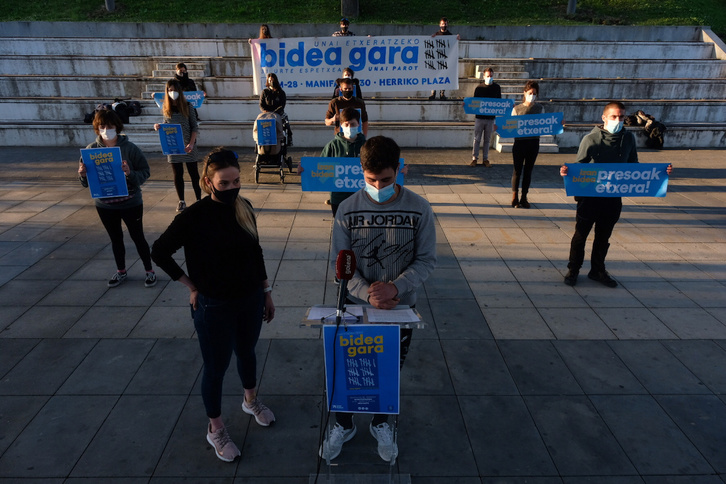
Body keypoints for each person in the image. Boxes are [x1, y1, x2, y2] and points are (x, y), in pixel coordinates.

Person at [151, 147, 276, 463]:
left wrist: (266, 291)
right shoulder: (193, 217)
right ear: (208, 182)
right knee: (216, 367)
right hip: (214, 306)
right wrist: (190, 284)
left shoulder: (244, 207)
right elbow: (160, 252)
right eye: (225, 184)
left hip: (249, 299)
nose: (233, 189)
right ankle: (215, 427)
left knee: (247, 352)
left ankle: (250, 401)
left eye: (236, 182)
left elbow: (255, 253)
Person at [321, 136, 437, 462]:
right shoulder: (347, 209)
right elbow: (340, 264)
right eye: (370, 179)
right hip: (356, 308)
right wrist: (367, 293)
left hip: (400, 309)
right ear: (361, 171)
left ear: (399, 170)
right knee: (349, 371)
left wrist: (396, 288)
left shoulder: (419, 208)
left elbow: (426, 259)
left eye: (386, 179)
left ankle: (382, 422)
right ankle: (343, 424)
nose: (378, 186)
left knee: (388, 373)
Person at [560, 101, 673, 288]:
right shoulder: (591, 139)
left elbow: (633, 166)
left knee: (603, 237)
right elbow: (578, 166)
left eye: (621, 117)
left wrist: (661, 172)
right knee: (581, 235)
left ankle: (597, 270)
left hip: (613, 197)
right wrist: (566, 171)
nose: (618, 120)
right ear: (604, 118)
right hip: (590, 197)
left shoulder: (628, 139)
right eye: (614, 116)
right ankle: (574, 269)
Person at [78, 110, 156, 288]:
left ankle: (149, 270)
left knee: (138, 237)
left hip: (131, 202)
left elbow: (145, 171)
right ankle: (121, 270)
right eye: (102, 126)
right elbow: (85, 182)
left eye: (110, 126)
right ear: (97, 128)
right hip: (105, 205)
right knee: (115, 239)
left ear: (117, 127)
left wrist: (130, 174)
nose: (106, 130)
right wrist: (82, 175)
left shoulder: (129, 148)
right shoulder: (91, 150)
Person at [154, 79, 201, 213]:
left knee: (194, 174)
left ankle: (198, 199)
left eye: (174, 90)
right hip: (173, 146)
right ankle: (181, 200)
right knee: (177, 174)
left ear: (179, 91)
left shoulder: (187, 105)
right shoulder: (166, 107)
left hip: (188, 146)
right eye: (170, 90)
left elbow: (194, 127)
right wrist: (159, 126)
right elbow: (166, 123)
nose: (172, 92)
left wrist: (191, 143)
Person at [323, 107, 366, 216]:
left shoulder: (367, 146)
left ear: (358, 124)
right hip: (338, 197)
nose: (349, 127)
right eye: (346, 124)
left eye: (353, 124)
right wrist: (305, 170)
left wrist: (398, 170)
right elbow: (320, 167)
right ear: (341, 125)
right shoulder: (332, 146)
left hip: (362, 197)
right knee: (340, 227)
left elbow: (380, 167)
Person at [510, 80, 544, 209]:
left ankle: (524, 197)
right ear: (525, 92)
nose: (532, 95)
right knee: (517, 170)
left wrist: (559, 123)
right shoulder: (517, 109)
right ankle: (514, 196)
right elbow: (510, 125)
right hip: (520, 143)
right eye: (530, 93)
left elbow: (546, 123)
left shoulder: (540, 108)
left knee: (528, 171)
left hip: (533, 142)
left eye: (534, 93)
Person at [470, 67, 501, 167]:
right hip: (479, 118)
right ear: (484, 76)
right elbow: (474, 103)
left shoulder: (497, 87)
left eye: (491, 76)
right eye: (488, 76)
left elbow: (500, 103)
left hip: (490, 118)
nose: (489, 78)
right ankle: (474, 158)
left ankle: (485, 159)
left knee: (487, 140)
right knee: (477, 139)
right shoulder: (479, 88)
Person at [429, 17, 460, 101]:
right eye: (442, 24)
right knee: (434, 76)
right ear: (440, 25)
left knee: (444, 76)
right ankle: (433, 93)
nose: (444, 25)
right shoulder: (436, 35)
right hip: (436, 59)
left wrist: (456, 38)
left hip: (445, 60)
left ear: (447, 24)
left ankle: (442, 93)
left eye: (445, 24)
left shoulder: (450, 36)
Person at [260, 73, 293, 145]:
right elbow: (261, 104)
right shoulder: (265, 92)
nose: (271, 82)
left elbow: (282, 105)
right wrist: (266, 111)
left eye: (273, 80)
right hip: (267, 114)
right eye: (270, 80)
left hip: (278, 114)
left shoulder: (281, 92)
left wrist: (275, 113)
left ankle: (289, 140)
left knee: (286, 122)